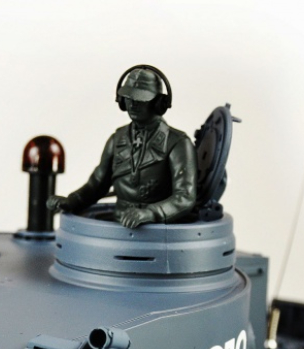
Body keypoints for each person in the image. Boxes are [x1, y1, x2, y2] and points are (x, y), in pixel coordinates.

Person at [48, 66, 197, 229]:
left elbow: (185, 197)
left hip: (158, 230)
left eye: (141, 99)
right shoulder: (117, 139)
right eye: (128, 98)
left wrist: (150, 213)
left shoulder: (177, 143)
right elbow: (97, 184)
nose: (132, 104)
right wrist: (72, 200)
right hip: (118, 225)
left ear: (158, 103)